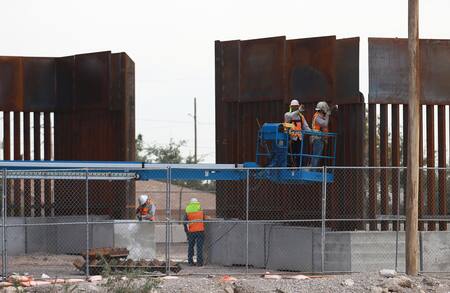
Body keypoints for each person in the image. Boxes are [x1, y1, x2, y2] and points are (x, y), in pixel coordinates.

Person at [284, 99, 310, 167]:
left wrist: (314, 132)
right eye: (293, 106)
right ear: (291, 107)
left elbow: (306, 127)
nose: (295, 108)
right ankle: (289, 169)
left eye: (296, 106)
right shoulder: (287, 114)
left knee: (299, 156)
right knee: (290, 155)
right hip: (290, 139)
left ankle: (298, 169)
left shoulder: (301, 117)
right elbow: (291, 116)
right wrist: (298, 111)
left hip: (299, 139)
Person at [310, 101, 337, 167]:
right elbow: (324, 124)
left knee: (317, 155)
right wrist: (327, 115)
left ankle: (313, 169)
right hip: (317, 138)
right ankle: (313, 170)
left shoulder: (319, 116)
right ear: (323, 110)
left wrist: (330, 111)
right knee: (316, 156)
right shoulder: (317, 117)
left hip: (319, 137)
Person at [183, 198, 207, 266]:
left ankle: (190, 261)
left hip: (191, 231)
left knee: (191, 246)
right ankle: (199, 262)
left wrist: (187, 232)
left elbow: (184, 223)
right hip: (200, 231)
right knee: (199, 247)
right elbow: (205, 220)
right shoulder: (201, 211)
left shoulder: (188, 212)